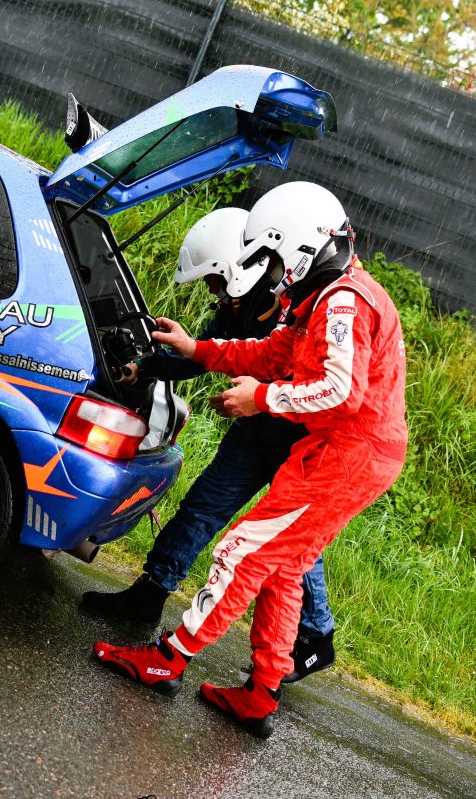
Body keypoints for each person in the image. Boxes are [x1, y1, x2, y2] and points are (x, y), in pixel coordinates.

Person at [93, 181, 407, 738]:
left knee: (240, 551)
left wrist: (259, 398)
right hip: (344, 452)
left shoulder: (342, 304)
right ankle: (262, 693)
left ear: (301, 247)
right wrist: (197, 350)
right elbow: (267, 353)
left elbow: (341, 391)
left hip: (345, 455)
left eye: (275, 254)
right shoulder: (326, 295)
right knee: (284, 570)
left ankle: (168, 657)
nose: (274, 269)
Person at [83, 206, 336, 682]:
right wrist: (146, 366)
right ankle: (151, 592)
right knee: (201, 508)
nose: (215, 294)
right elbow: (206, 352)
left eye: (216, 283)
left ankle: (315, 637)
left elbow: (313, 381)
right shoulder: (236, 307)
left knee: (295, 542)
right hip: (256, 434)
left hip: (302, 442)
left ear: (243, 270)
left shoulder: (292, 305)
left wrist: (256, 398)